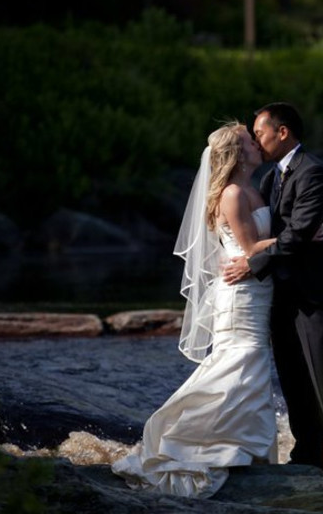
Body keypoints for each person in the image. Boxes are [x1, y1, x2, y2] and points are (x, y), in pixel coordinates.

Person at [111, 122, 278, 498]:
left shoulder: (252, 188)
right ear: (236, 154)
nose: (256, 144)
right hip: (241, 296)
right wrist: (297, 236)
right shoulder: (233, 194)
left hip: (255, 292)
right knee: (241, 362)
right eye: (249, 141)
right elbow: (251, 250)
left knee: (250, 367)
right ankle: (180, 440)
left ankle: (240, 449)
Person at [222, 102, 323, 482]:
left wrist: (254, 264)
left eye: (260, 133)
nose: (257, 140)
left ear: (282, 132)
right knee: (293, 377)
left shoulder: (312, 173)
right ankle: (307, 455)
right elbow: (285, 234)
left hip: (313, 292)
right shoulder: (271, 179)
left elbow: (301, 233)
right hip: (281, 294)